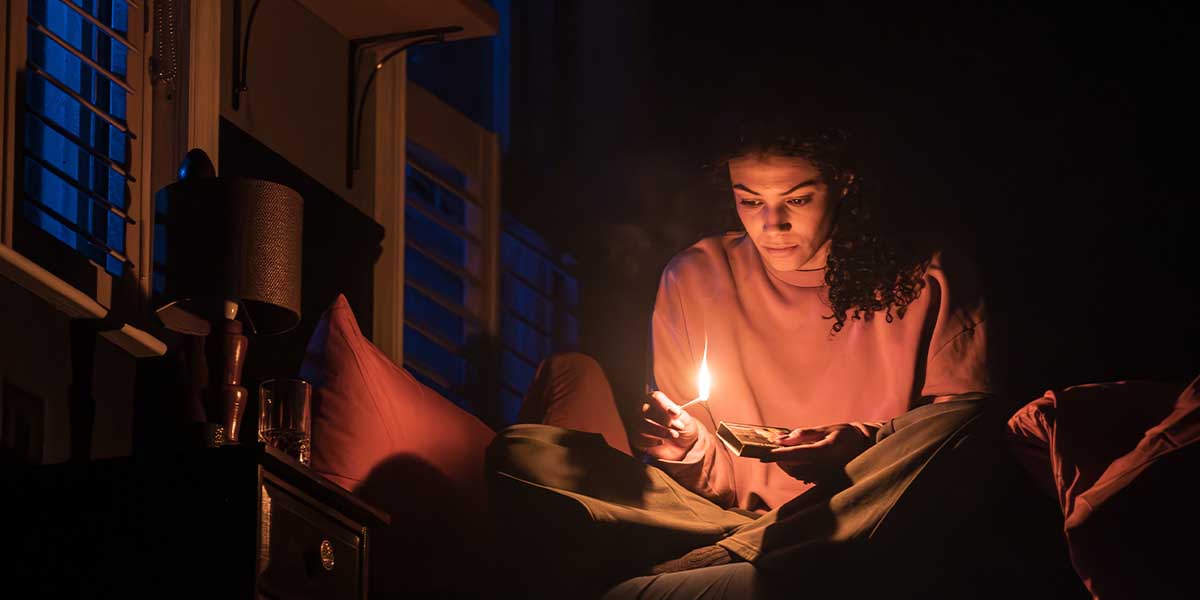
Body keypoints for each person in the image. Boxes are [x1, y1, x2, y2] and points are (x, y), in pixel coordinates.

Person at [487, 116, 1076, 599]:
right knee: (524, 451)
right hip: (725, 524)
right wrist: (690, 451)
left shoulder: (928, 278)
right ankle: (752, 554)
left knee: (967, 420)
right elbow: (710, 480)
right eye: (749, 200)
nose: (773, 224)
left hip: (858, 526)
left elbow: (950, 455)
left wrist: (863, 444)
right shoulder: (696, 277)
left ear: (843, 183)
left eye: (797, 198)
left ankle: (734, 561)